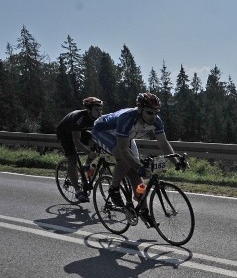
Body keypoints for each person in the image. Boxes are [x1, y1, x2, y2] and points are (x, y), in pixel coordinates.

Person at [91, 92, 187, 227]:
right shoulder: (127, 118)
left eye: (156, 112)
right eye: (149, 112)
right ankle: (114, 188)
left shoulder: (156, 121)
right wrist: (139, 167)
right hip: (102, 131)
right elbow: (124, 150)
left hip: (126, 136)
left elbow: (164, 144)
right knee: (125, 159)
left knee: (137, 178)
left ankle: (143, 211)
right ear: (140, 110)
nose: (153, 116)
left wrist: (176, 163)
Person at [55, 96, 104, 202]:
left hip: (81, 132)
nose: (99, 112)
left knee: (95, 141)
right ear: (89, 110)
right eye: (96, 109)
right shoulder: (80, 118)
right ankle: (78, 191)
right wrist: (88, 152)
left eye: (101, 109)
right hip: (65, 133)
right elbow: (76, 141)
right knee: (72, 159)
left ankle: (86, 165)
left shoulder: (99, 118)